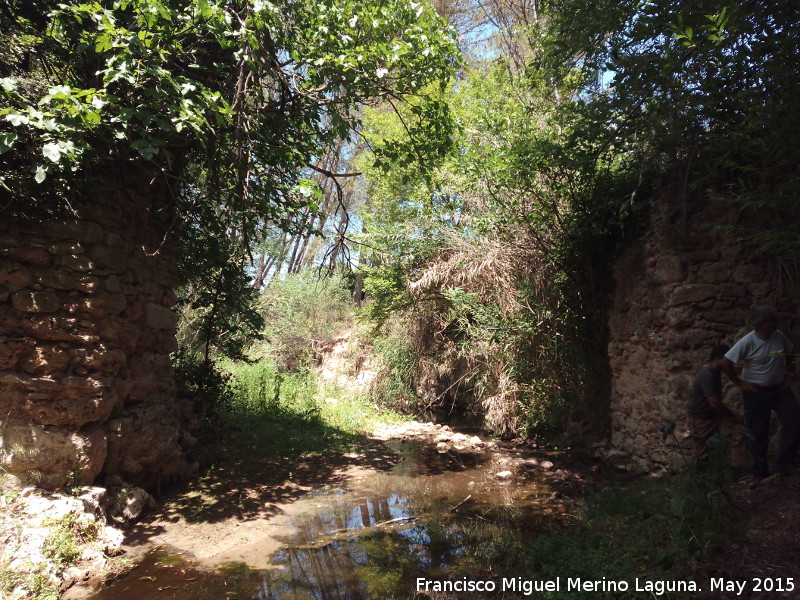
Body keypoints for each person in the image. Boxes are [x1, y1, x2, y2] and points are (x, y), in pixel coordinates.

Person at [722, 306, 800, 486]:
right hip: (756, 392)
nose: (775, 322)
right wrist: (740, 383)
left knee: (795, 420)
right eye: (771, 320)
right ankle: (760, 471)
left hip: (780, 389)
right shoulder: (748, 342)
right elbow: (726, 362)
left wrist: (790, 374)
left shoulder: (778, 336)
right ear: (761, 324)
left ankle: (784, 463)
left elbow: (790, 352)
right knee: (757, 431)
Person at [687, 344, 747, 470]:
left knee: (739, 430)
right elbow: (714, 402)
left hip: (714, 416)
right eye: (728, 360)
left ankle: (738, 468)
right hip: (701, 419)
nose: (731, 364)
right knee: (701, 453)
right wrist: (732, 415)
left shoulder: (715, 373)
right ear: (718, 359)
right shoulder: (707, 375)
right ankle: (697, 477)